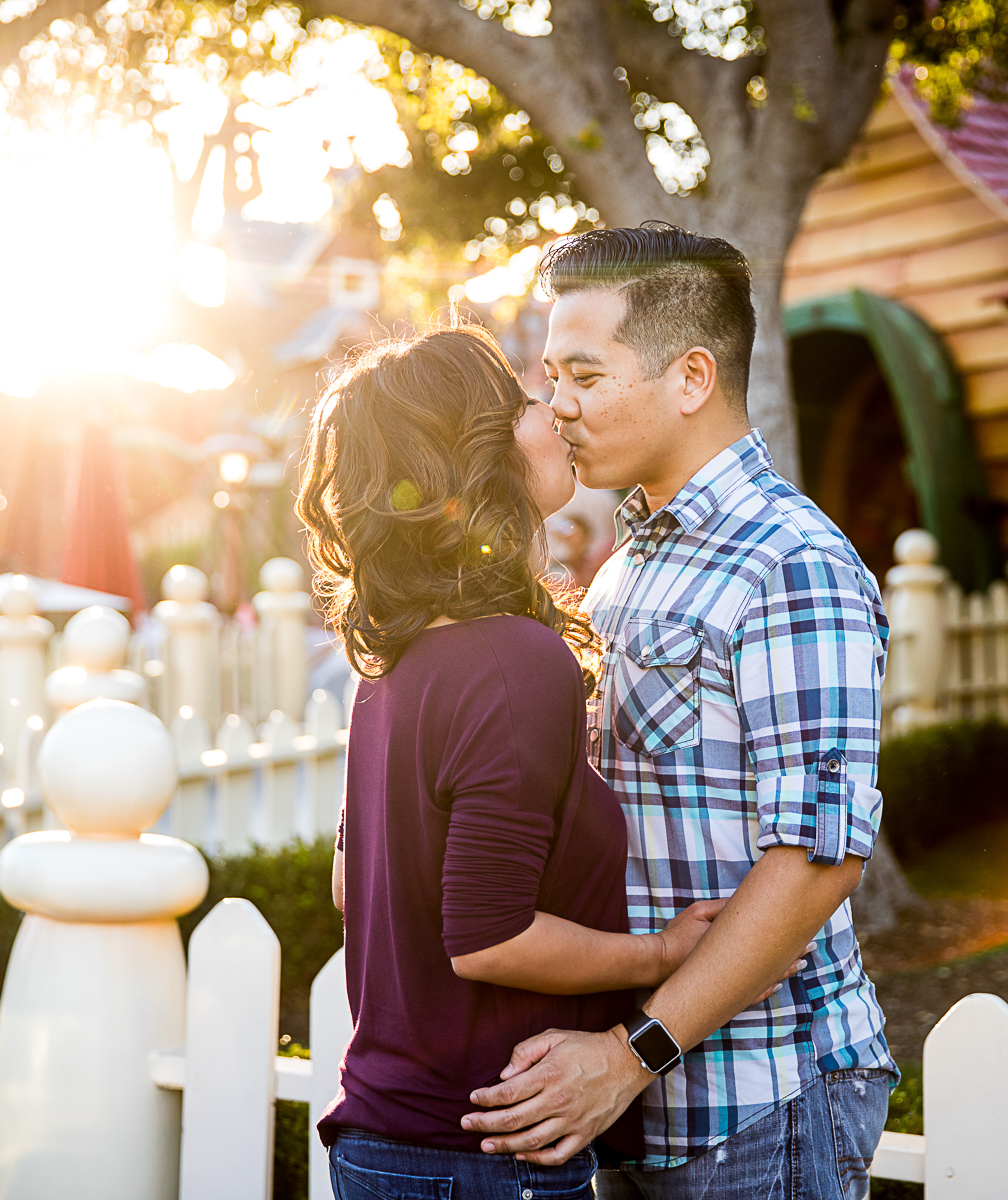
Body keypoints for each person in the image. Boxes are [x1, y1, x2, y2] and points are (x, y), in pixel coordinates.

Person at [460, 223, 900, 1199]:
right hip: (633, 1096)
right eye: (550, 376)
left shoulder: (791, 564)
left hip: (761, 1093)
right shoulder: (624, 567)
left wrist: (632, 1051)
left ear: (692, 377)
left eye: (584, 375)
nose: (556, 407)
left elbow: (818, 858)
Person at [298, 323, 786, 1199]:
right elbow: (487, 937)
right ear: (471, 457)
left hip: (393, 1142)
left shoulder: (393, 663)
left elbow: (350, 885)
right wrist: (660, 953)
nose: (555, 410)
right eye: (525, 401)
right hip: (479, 1153)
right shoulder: (515, 662)